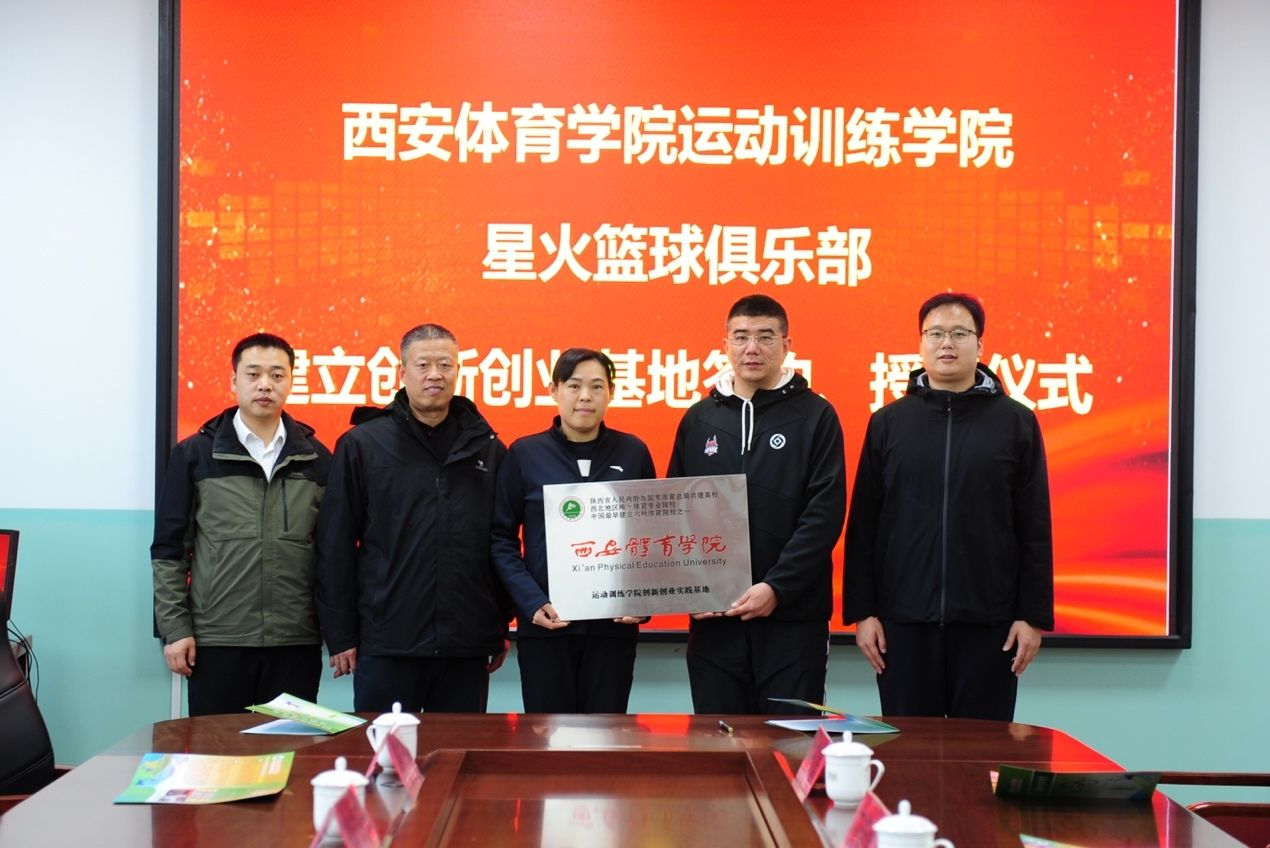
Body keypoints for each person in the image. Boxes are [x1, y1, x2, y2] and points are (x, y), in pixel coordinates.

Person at [843, 292, 1054, 721]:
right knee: (909, 750)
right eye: (935, 333)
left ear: (980, 343)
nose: (947, 343)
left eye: (960, 333)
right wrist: (863, 613)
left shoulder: (1016, 422)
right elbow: (864, 523)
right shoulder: (889, 423)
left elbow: (1034, 525)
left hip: (990, 624)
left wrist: (1031, 616)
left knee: (981, 750)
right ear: (920, 343)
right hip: (903, 623)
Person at [314, 323, 509, 713]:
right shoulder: (363, 444)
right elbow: (335, 544)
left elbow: (499, 543)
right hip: (387, 640)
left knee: (459, 749)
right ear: (402, 372)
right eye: (423, 365)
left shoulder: (487, 447)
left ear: (458, 370)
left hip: (464, 643)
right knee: (383, 749)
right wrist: (341, 634)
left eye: (445, 365)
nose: (435, 374)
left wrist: (499, 625)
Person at [666, 294, 847, 715]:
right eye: (741, 337)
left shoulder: (816, 416)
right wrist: (690, 587)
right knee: (717, 741)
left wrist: (777, 588)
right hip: (716, 621)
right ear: (725, 344)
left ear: (786, 344)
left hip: (793, 619)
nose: (752, 348)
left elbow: (823, 514)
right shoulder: (699, 419)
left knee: (791, 740)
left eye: (765, 337)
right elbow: (675, 512)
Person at [151, 333, 332, 716]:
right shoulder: (196, 454)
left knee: (290, 746)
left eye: (277, 375)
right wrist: (175, 628)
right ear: (234, 380)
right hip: (218, 640)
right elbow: (169, 550)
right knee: (217, 748)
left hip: (295, 641)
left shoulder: (316, 458)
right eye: (253, 374)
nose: (265, 384)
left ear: (291, 381)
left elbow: (333, 553)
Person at [491, 348, 656, 713]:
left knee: (606, 736)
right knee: (547, 736)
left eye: (597, 386)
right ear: (554, 390)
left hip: (612, 631)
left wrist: (643, 603)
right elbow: (500, 539)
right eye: (575, 385)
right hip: (547, 626)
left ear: (611, 393)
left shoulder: (633, 452)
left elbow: (652, 537)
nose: (585, 396)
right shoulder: (525, 454)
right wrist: (530, 602)